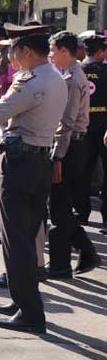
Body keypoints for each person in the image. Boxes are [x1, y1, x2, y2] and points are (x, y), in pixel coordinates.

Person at [0, 23, 67, 334]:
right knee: (25, 237)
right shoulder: (52, 77)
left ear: (26, 51)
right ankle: (22, 300)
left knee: (15, 241)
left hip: (20, 164)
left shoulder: (30, 82)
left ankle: (31, 312)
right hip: (38, 162)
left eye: (13, 49)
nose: (10, 55)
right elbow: (13, 109)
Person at [46, 31, 101, 278]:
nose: (50, 55)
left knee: (58, 208)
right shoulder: (72, 74)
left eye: (52, 50)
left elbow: (66, 123)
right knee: (62, 206)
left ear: (64, 52)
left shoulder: (70, 79)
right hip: (74, 145)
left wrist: (57, 157)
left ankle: (60, 265)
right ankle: (86, 252)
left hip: (69, 146)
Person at [77, 33, 107, 224]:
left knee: (82, 172)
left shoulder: (76, 71)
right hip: (104, 127)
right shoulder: (105, 71)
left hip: (82, 126)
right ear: (101, 52)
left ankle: (81, 213)